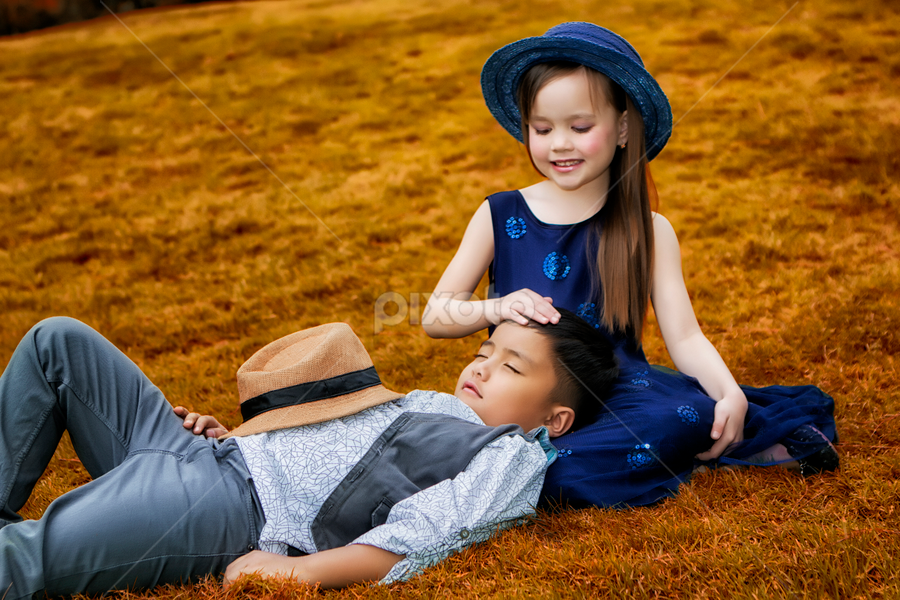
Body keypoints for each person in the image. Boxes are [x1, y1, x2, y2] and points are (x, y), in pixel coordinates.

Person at [423, 22, 838, 508]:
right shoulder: (499, 214)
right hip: (532, 392)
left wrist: (729, 392)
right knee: (517, 450)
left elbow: (683, 337)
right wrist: (495, 310)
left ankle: (518, 470)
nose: (559, 144)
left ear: (623, 128)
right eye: (542, 129)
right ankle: (517, 464)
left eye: (579, 128)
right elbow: (435, 315)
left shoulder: (649, 229)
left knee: (682, 413)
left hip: (621, 392)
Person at [0, 309, 617, 598]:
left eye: (510, 366)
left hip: (227, 508)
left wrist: (297, 571)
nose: (481, 368)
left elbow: (430, 532)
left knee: (22, 559)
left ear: (555, 417)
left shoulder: (510, 458)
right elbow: (318, 439)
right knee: (57, 342)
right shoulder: (427, 397)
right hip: (208, 459)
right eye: (483, 353)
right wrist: (230, 437)